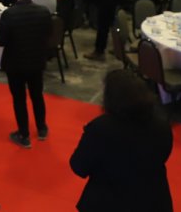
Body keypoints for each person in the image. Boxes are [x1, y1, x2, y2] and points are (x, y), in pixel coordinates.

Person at [70, 70, 173, 212]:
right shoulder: (162, 124)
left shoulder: (100, 128)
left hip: (109, 201)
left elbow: (79, 167)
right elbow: (164, 155)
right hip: (153, 200)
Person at [0, 0, 52, 148]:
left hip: (15, 64)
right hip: (36, 62)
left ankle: (23, 134)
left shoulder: (9, 15)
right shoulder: (43, 12)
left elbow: (0, 41)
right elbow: (48, 35)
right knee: (37, 95)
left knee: (19, 99)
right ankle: (42, 128)